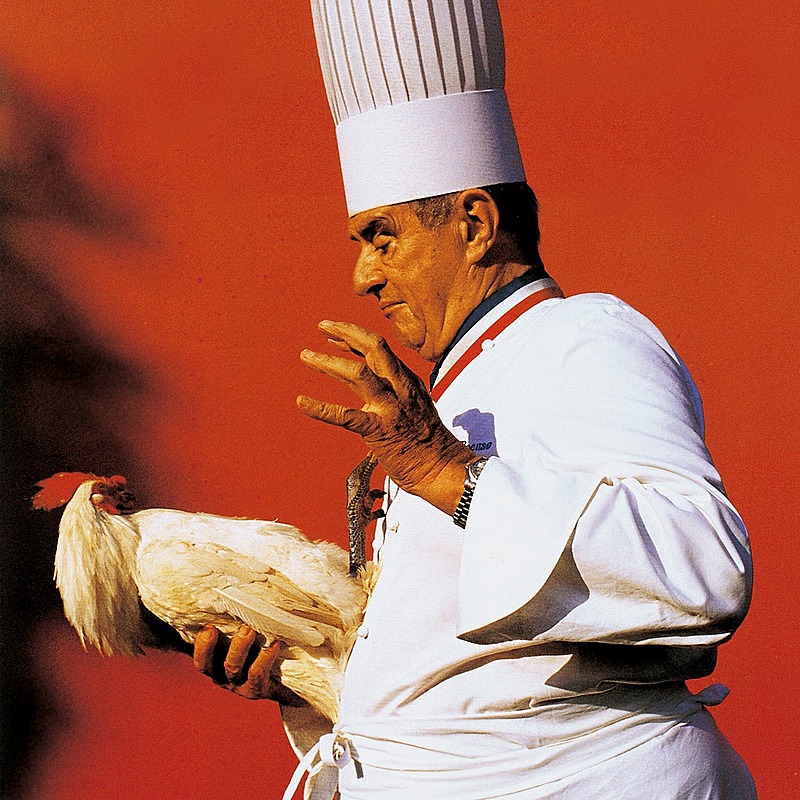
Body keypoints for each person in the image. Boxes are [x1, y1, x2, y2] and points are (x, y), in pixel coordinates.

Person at [194, 2, 755, 797]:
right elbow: (462, 680)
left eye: (382, 236)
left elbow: (704, 570)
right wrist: (300, 674)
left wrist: (446, 472)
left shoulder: (585, 337)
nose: (363, 276)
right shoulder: (448, 393)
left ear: (475, 223)